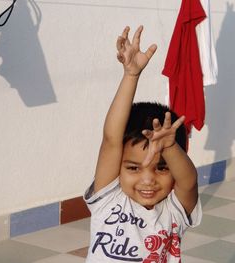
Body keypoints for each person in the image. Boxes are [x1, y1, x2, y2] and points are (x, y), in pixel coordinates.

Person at [84, 25, 202, 263]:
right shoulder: (108, 198)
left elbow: (189, 181)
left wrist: (169, 147)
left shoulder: (174, 210)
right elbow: (111, 139)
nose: (148, 179)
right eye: (133, 168)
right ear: (118, 167)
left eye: (161, 167)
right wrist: (131, 75)